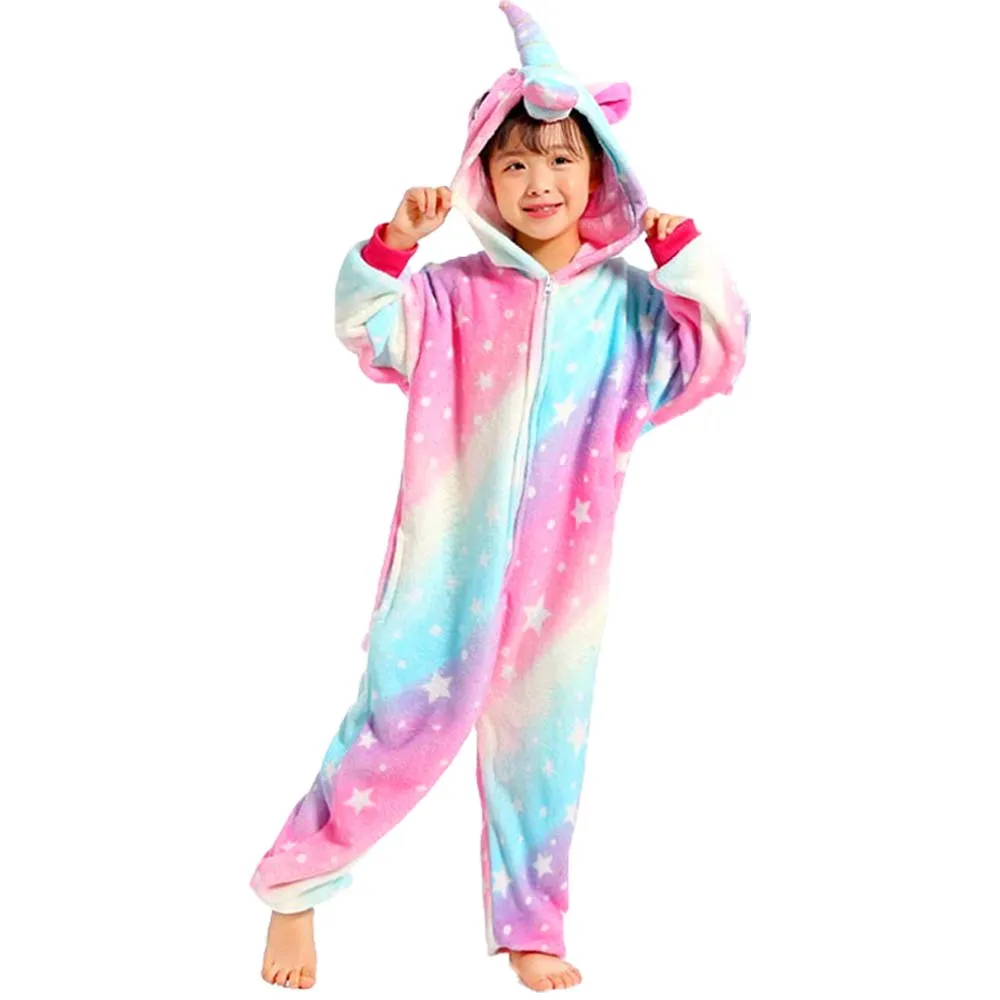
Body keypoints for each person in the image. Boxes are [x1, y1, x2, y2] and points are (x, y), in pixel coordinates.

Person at [252, 0, 749, 991]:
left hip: (565, 571)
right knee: (396, 722)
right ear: (484, 175)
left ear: (600, 173)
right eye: (515, 162)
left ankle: (534, 922)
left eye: (561, 159)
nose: (539, 181)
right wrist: (393, 243)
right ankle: (294, 886)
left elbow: (716, 357)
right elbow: (365, 326)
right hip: (446, 562)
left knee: (543, 746)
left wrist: (686, 260)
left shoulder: (631, 310)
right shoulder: (451, 293)